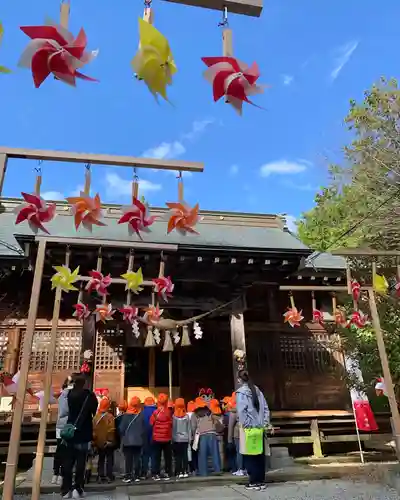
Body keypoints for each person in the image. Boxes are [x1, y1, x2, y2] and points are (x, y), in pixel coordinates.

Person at [61, 375, 98, 499]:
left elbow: (65, 411)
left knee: (68, 461)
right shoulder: (89, 395)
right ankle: (78, 488)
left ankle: (66, 489)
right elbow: (94, 411)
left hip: (70, 430)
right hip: (84, 431)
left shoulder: (69, 394)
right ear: (85, 384)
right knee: (81, 462)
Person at [236, 370, 269, 491]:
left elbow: (241, 411)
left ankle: (253, 481)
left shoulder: (241, 393)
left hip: (249, 428)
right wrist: (264, 423)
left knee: (249, 455)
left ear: (239, 380)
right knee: (259, 454)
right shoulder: (257, 391)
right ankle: (261, 481)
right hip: (260, 428)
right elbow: (265, 408)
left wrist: (246, 425)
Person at [118, 396, 146, 483]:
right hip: (138, 440)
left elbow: (121, 428)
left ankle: (128, 475)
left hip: (127, 441)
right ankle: (137, 475)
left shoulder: (126, 416)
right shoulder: (141, 415)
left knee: (128, 459)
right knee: (137, 458)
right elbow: (143, 429)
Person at [192, 398, 223, 476]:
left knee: (202, 454)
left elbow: (193, 427)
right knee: (215, 453)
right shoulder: (210, 412)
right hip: (212, 434)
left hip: (202, 435)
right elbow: (218, 424)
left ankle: (203, 472)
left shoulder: (195, 414)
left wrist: (193, 437)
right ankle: (217, 469)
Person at [53, 376, 73, 485]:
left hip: (59, 426)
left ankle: (55, 474)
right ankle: (61, 475)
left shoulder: (61, 396)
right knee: (67, 451)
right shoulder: (70, 395)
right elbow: (67, 411)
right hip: (68, 426)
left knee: (59, 449)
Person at [150, 393, 173, 480]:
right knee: (167, 457)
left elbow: (151, 423)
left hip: (156, 438)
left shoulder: (155, 412)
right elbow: (171, 424)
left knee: (156, 457)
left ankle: (155, 473)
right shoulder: (169, 412)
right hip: (167, 438)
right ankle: (168, 472)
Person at [92, 398, 116, 483]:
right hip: (107, 442)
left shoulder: (95, 417)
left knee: (101, 459)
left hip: (99, 442)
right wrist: (110, 440)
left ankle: (100, 475)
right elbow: (111, 430)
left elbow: (93, 430)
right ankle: (109, 475)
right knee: (109, 459)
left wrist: (95, 441)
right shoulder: (110, 417)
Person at [172, 398, 191, 478]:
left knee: (178, 456)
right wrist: (189, 438)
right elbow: (189, 428)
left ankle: (178, 471)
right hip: (185, 439)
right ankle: (185, 471)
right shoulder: (186, 416)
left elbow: (172, 428)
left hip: (176, 439)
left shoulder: (173, 416)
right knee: (184, 455)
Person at [227, 392, 245, 476]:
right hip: (243, 432)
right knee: (243, 452)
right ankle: (243, 468)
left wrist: (229, 439)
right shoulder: (244, 407)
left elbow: (231, 426)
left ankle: (240, 469)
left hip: (238, 433)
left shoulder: (233, 411)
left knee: (239, 452)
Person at [141, 396, 157, 478]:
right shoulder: (157, 411)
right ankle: (154, 472)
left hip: (144, 435)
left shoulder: (142, 412)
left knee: (145, 454)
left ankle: (144, 472)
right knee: (154, 454)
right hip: (155, 435)